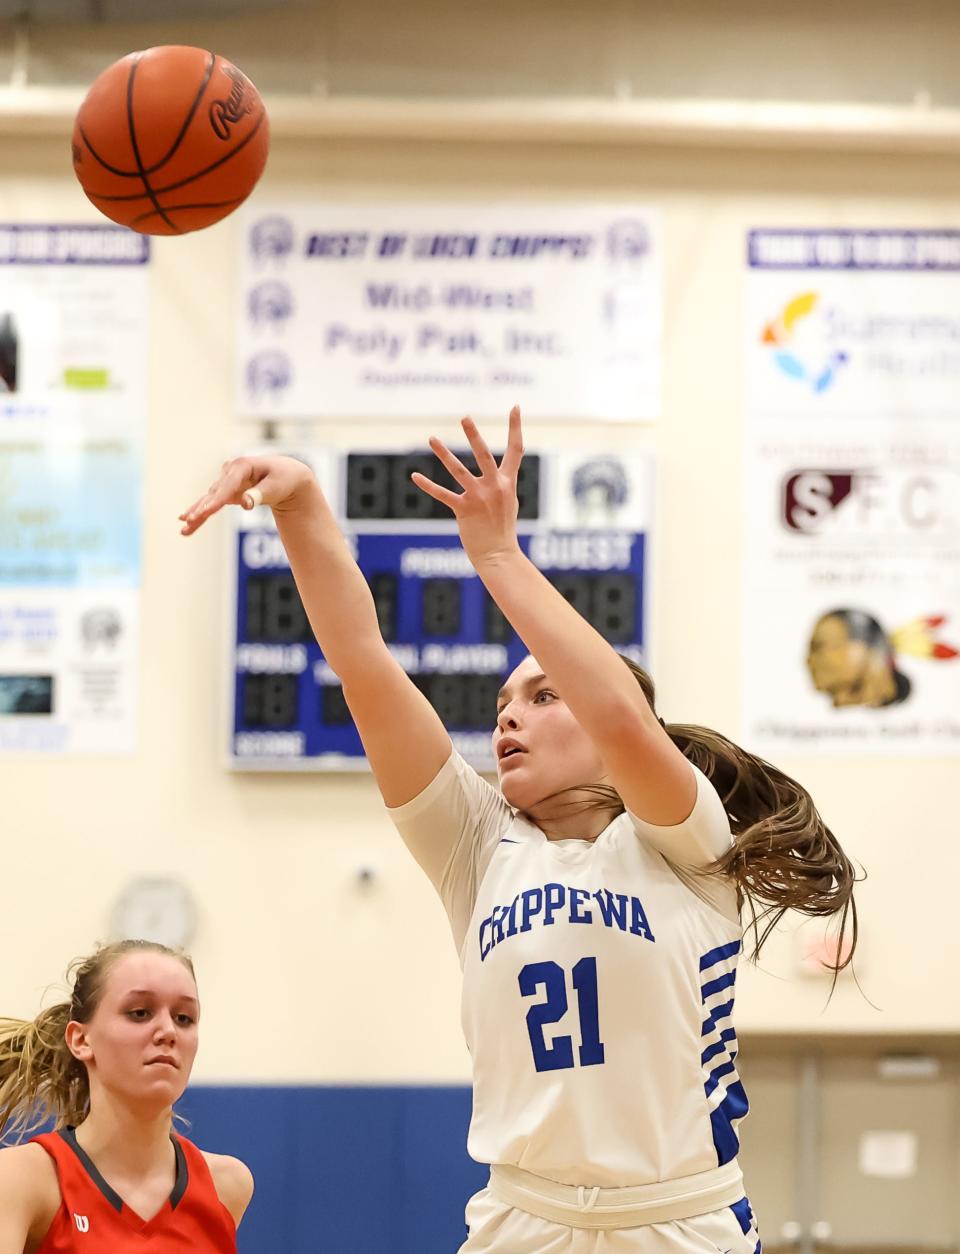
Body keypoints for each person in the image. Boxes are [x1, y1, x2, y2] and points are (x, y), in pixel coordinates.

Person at [180, 408, 858, 1251]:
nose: (509, 719)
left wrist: (498, 556)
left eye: (542, 696)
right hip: (520, 1221)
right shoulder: (474, 845)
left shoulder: (686, 840)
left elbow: (618, 712)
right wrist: (304, 504)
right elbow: (361, 661)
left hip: (679, 1223)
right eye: (501, 705)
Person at [0, 940, 253, 1252]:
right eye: (140, 1013)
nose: (168, 1031)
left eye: (184, 1017)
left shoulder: (226, 1186)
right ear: (80, 1039)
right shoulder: (22, 1180)